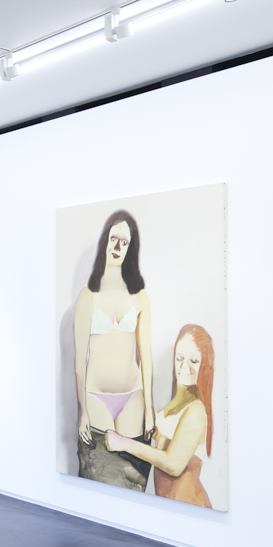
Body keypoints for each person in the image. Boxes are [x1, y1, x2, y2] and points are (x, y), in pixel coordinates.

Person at [73, 210, 155, 492]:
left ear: (131, 248)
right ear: (105, 241)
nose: (118, 246)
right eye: (114, 239)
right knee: (101, 476)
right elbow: (79, 362)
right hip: (95, 397)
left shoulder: (140, 296)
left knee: (133, 482)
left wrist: (150, 410)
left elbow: (146, 357)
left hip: (133, 397)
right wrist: (82, 412)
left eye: (125, 242)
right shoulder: (88, 296)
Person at [106, 325, 214, 508]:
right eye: (179, 358)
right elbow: (164, 438)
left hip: (191, 508)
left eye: (194, 361)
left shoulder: (196, 411)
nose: (184, 367)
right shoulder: (177, 402)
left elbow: (173, 464)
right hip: (172, 507)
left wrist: (123, 443)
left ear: (205, 365)